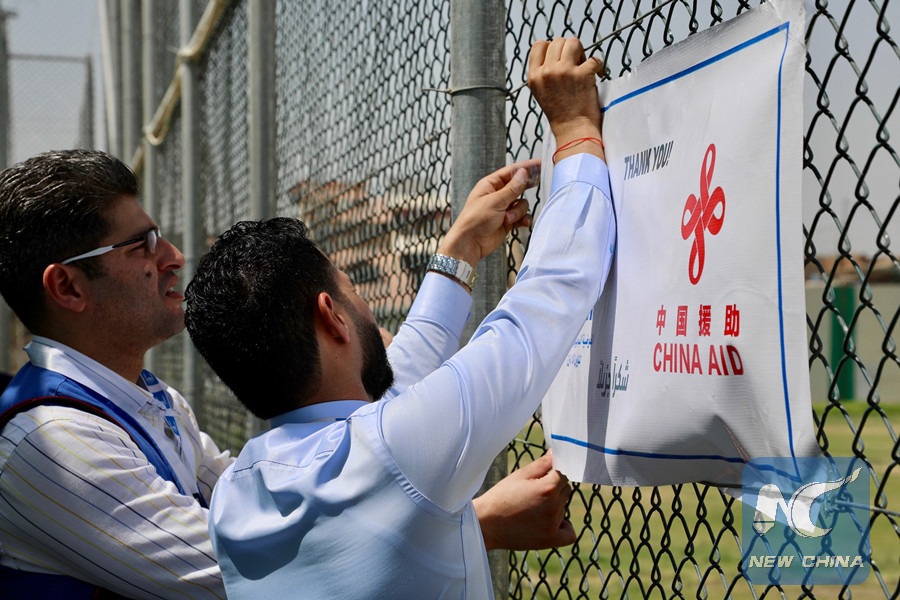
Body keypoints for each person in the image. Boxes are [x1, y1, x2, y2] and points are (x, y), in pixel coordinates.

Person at [0, 142, 576, 597]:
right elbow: (259, 572)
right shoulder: (48, 443)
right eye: (140, 246)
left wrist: (457, 256)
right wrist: (475, 522)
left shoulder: (147, 399)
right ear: (68, 286)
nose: (172, 256)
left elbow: (336, 460)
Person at [184, 37, 614, 598]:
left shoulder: (236, 493)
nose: (363, 301)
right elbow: (549, 294)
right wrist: (577, 131)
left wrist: (458, 252)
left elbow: (394, 388)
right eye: (350, 289)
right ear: (332, 317)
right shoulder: (396, 450)